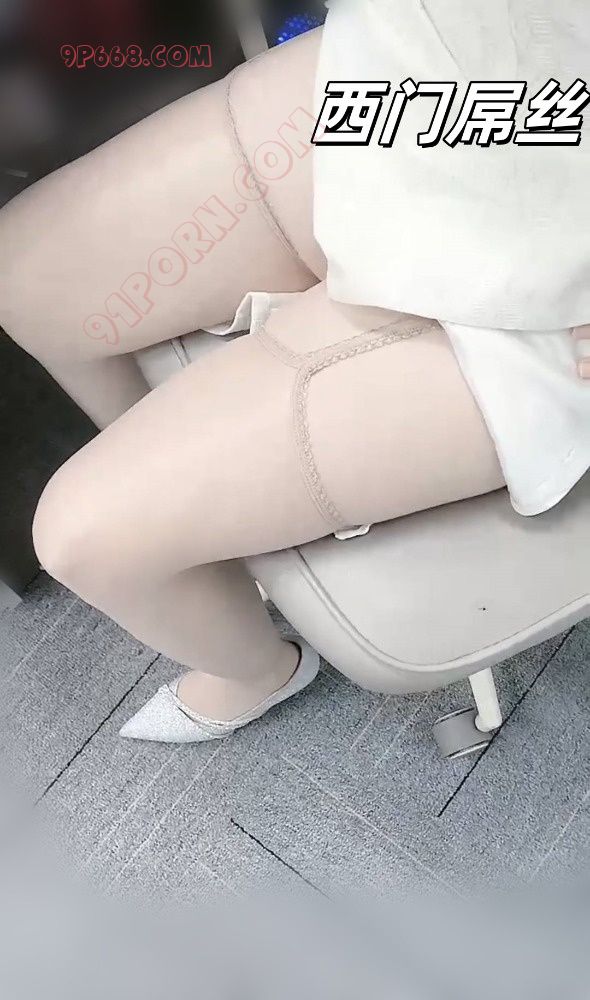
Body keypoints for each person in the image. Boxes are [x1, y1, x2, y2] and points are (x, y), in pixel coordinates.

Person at [0, 6, 587, 744]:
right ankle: (200, 518)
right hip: (442, 77)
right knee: (26, 274)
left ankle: (254, 670)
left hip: (546, 289)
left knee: (81, 537)